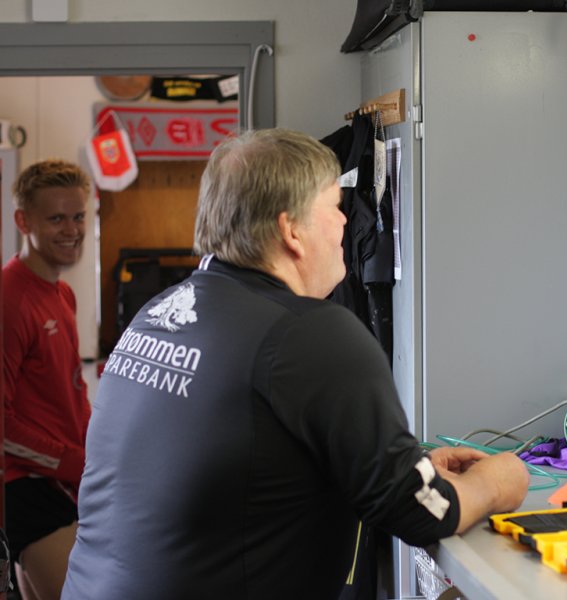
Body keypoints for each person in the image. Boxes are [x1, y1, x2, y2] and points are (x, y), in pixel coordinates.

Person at [61, 129, 529, 599]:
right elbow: (420, 511)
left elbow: (236, 468)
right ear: (292, 230)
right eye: (333, 206)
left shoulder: (159, 315)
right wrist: (498, 481)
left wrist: (406, 468)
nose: (345, 223)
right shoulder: (311, 333)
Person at [2, 160, 92, 600]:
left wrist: (94, 449)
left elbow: (70, 391)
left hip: (64, 482)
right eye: (56, 218)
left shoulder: (62, 292)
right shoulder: (9, 298)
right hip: (26, 486)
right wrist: (70, 462)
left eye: (79, 216)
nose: (72, 230)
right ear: (23, 221)